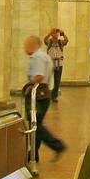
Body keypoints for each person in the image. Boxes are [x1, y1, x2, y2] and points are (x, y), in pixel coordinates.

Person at [24, 35, 65, 163]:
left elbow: (39, 76)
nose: (25, 48)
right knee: (36, 124)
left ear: (34, 45)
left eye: (27, 44)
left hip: (38, 94)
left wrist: (28, 86)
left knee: (36, 125)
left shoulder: (37, 57)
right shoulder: (43, 56)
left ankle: (57, 146)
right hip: (43, 93)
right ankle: (33, 155)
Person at [45, 28, 68, 103]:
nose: (56, 34)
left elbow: (66, 40)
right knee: (47, 80)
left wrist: (63, 33)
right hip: (50, 63)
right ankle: (46, 95)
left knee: (57, 81)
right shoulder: (49, 42)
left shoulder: (60, 42)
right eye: (54, 33)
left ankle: (54, 96)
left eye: (57, 33)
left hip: (59, 64)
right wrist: (49, 33)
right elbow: (44, 40)